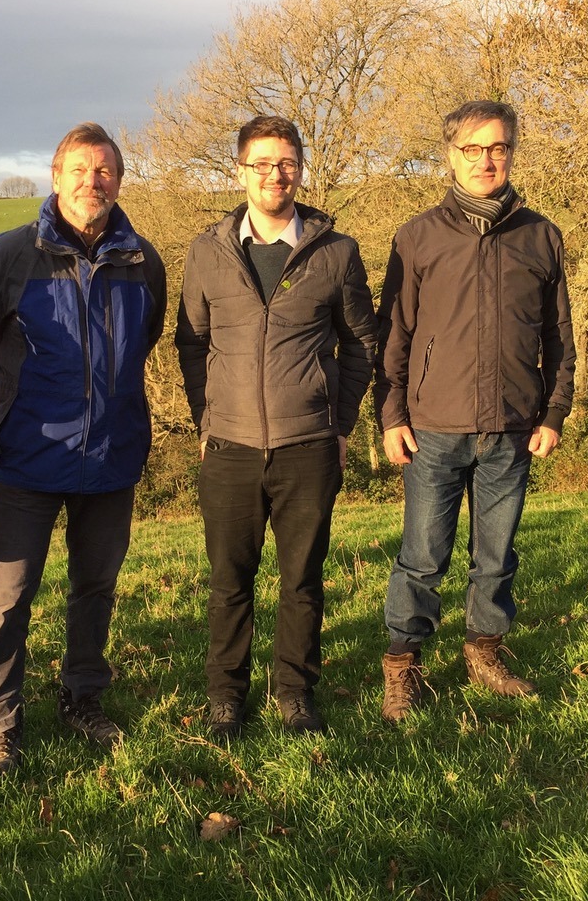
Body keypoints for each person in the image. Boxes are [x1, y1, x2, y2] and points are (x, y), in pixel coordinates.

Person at [0, 122, 166, 775]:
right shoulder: (8, 255)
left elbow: (145, 338)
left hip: (112, 455)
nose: (91, 181)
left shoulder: (144, 261)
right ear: (55, 178)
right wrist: (26, 393)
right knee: (9, 596)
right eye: (79, 170)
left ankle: (82, 698)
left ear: (119, 181)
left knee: (94, 587)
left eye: (103, 170)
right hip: (28, 455)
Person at [374, 100, 576, 722]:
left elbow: (559, 336)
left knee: (497, 554)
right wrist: (390, 417)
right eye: (473, 149)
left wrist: (552, 413)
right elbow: (394, 336)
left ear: (511, 152)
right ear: (450, 156)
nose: (486, 160)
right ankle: (403, 666)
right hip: (433, 426)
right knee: (423, 554)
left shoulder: (541, 235)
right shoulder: (417, 237)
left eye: (498, 148)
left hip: (515, 426)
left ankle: (484, 650)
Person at [176, 115, 378, 738]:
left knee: (303, 580)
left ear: (300, 168)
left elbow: (361, 344)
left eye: (286, 162)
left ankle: (294, 692)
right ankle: (226, 698)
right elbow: (190, 344)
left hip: (308, 447)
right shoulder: (207, 251)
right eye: (261, 163)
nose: (274, 175)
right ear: (239, 170)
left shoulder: (334, 252)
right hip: (230, 447)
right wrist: (206, 421)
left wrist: (339, 423)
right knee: (228, 582)